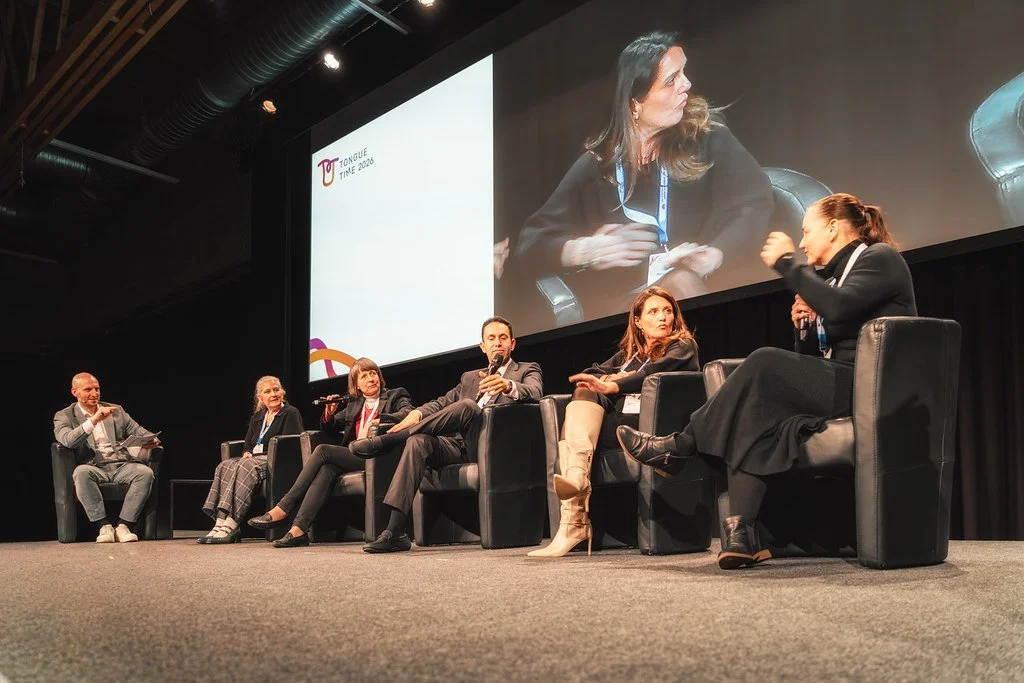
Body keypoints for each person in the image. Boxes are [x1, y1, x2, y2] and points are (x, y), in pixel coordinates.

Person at [617, 193, 916, 569]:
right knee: (754, 414)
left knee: (763, 361)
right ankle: (742, 535)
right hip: (840, 383)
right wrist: (804, 327)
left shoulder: (878, 258)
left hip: (870, 388)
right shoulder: (832, 278)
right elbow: (820, 351)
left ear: (833, 227)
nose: (802, 242)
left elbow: (841, 308)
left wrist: (787, 264)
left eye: (807, 231)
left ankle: (680, 446)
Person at [512, 30, 772, 323]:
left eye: (683, 72)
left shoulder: (706, 138)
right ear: (635, 103)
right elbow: (530, 244)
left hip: (703, 290)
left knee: (681, 283)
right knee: (673, 291)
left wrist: (716, 254)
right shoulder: (598, 167)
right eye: (671, 80)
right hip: (627, 314)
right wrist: (585, 250)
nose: (687, 84)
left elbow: (753, 202)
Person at [527, 286, 699, 558]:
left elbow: (654, 372)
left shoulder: (682, 346)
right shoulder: (629, 357)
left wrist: (614, 383)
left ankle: (574, 521)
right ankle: (576, 482)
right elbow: (593, 372)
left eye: (668, 311)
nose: (663, 317)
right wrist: (607, 378)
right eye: (654, 312)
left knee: (577, 429)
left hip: (651, 428)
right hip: (618, 424)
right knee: (584, 392)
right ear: (638, 321)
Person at [348, 316, 544, 553]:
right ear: (483, 346)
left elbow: (535, 391)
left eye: (503, 338)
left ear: (512, 343)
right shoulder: (470, 377)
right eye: (491, 338)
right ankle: (395, 531)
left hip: (494, 447)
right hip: (459, 446)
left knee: (468, 406)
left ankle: (391, 440)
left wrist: (508, 385)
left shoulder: (526, 369)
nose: (497, 343)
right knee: (418, 441)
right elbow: (442, 402)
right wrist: (418, 413)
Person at [247, 358, 413, 547]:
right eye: (364, 376)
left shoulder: (395, 395)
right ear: (357, 385)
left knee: (322, 451)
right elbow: (332, 429)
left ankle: (284, 506)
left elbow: (408, 413)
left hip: (379, 456)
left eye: (373, 373)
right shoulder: (355, 404)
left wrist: (379, 419)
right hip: (357, 455)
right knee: (327, 469)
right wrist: (329, 413)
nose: (370, 379)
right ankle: (298, 530)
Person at [52, 372, 160, 543]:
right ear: (74, 392)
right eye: (88, 389)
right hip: (92, 466)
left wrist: (151, 439)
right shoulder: (64, 415)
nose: (94, 393)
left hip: (121, 464)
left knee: (145, 473)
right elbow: (67, 440)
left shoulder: (116, 411)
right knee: (81, 473)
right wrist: (94, 420)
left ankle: (123, 526)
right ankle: (104, 526)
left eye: (97, 389)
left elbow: (140, 431)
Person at [199, 375, 304, 544]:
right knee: (225, 465)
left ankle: (232, 523)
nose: (273, 394)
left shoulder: (290, 413)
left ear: (282, 392)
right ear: (260, 397)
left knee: (246, 465)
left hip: (276, 461)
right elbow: (248, 443)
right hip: (255, 459)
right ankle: (219, 522)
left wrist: (254, 456)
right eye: (267, 391)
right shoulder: (258, 417)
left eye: (276, 390)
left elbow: (290, 445)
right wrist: (247, 451)